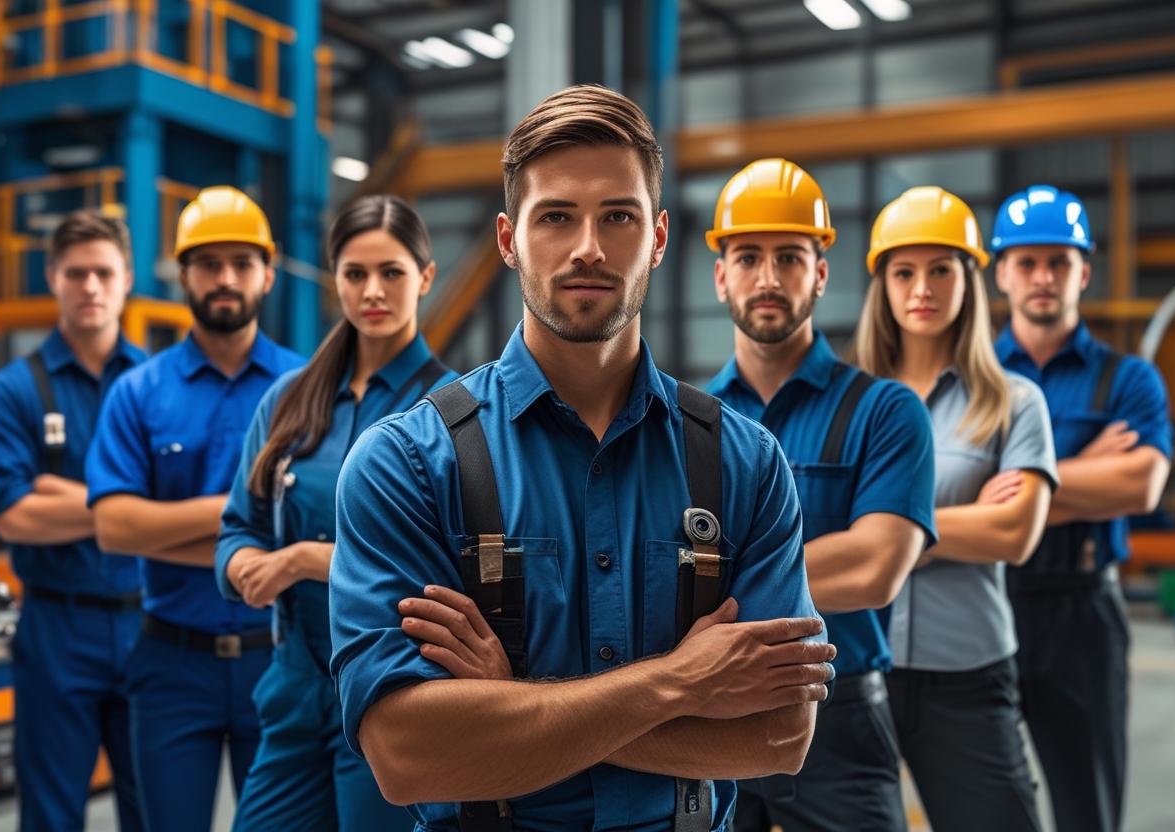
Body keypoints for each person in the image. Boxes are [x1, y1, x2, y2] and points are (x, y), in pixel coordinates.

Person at [328, 84, 836, 832]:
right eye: (556, 217)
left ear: (659, 237)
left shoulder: (745, 462)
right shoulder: (406, 463)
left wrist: (518, 700)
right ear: (508, 239)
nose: (589, 247)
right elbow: (408, 755)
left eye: (619, 217)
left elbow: (779, 736)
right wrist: (678, 682)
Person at [703, 159, 936, 832]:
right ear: (721, 276)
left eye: (790, 257)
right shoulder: (681, 422)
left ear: (821, 273)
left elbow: (876, 567)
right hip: (708, 710)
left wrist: (709, 593)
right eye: (748, 257)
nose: (769, 278)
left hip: (842, 721)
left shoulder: (887, 412)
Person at [216, 194, 455, 831]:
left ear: (425, 278)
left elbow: (447, 566)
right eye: (355, 274)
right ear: (335, 280)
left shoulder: (452, 413)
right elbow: (239, 524)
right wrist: (241, 564)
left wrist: (301, 560)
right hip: (296, 686)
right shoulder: (289, 401)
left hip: (397, 689)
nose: (372, 291)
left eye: (392, 273)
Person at [86, 186, 304, 831]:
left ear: (268, 271)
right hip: (170, 664)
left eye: (242, 262)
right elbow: (113, 528)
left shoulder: (307, 389)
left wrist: (167, 526)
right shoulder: (138, 392)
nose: (226, 279)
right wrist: (248, 517)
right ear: (183, 274)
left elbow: (317, 524)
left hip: (281, 659)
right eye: (209, 264)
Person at [855, 186, 1057, 832]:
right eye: (904, 271)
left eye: (942, 269)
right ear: (881, 284)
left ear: (969, 280)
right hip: (857, 673)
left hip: (968, 679)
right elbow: (823, 524)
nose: (923, 287)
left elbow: (1015, 532)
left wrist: (886, 533)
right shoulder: (847, 404)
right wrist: (956, 522)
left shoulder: (1015, 402)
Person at [991, 185, 1171, 832]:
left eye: (1060, 262)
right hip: (988, 604)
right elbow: (948, 496)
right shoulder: (973, 376)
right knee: (983, 804)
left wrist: (1016, 486)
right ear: (1002, 271)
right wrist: (1089, 466)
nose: (1044, 277)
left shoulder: (1128, 379)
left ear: (1083, 272)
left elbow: (1143, 486)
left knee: (1087, 809)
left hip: (1084, 615)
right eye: (1028, 261)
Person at [0, 211, 146, 832]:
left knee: (156, 813)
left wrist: (60, 495)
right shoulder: (11, 392)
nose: (91, 287)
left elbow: (197, 508)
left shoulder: (159, 386)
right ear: (53, 278)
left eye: (104, 272)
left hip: (150, 625)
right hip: (55, 628)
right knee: (50, 816)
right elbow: (14, 517)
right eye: (77, 273)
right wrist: (132, 508)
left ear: (127, 279)